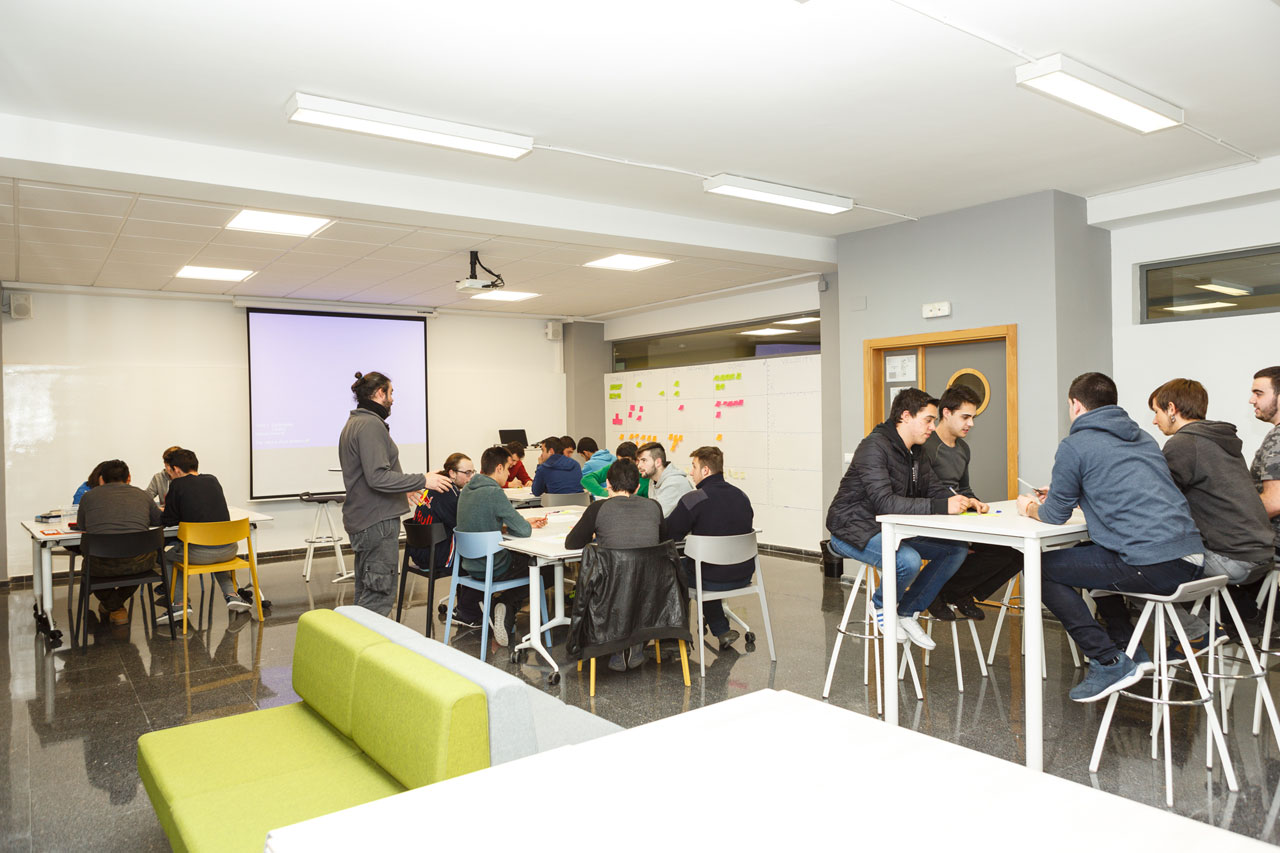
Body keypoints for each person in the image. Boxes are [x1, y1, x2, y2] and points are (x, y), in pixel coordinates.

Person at [1018, 372, 1204, 703]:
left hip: (1156, 564)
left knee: (1038, 568)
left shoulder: (1075, 445)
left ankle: (1108, 661)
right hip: (1192, 556)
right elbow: (1123, 488)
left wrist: (1030, 507)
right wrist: (1072, 491)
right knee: (1088, 551)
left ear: (1075, 405)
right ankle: (1128, 648)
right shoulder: (1143, 438)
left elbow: (1054, 515)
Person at [825, 388, 973, 650]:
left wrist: (964, 502)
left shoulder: (917, 451)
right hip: (851, 529)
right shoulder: (873, 447)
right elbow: (885, 503)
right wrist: (942, 506)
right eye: (928, 420)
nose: (933, 427)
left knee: (955, 549)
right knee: (907, 561)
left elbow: (934, 489)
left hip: (891, 529)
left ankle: (906, 611)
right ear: (906, 416)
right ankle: (880, 605)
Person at [1150, 378, 1275, 652]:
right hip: (1261, 555)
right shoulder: (1220, 440)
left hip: (1232, 560)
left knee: (1143, 565)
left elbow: (1156, 501)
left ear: (1171, 409)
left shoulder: (1183, 443)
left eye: (1156, 412)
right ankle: (1241, 616)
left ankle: (1198, 633)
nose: (1154, 421)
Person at [339, 371, 449, 616]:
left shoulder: (356, 422)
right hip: (376, 523)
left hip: (367, 519)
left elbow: (368, 476)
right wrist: (423, 480)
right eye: (391, 393)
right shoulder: (370, 425)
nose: (393, 399)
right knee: (378, 597)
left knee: (367, 593)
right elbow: (377, 477)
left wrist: (404, 488)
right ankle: (367, 641)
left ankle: (356, 640)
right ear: (380, 393)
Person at [923, 384, 1022, 621]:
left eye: (973, 418)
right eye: (965, 417)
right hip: (935, 518)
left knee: (1016, 553)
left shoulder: (963, 449)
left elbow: (964, 488)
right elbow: (924, 491)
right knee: (983, 551)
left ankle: (956, 591)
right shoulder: (926, 446)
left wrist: (976, 502)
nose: (971, 424)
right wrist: (955, 502)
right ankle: (938, 591)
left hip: (959, 517)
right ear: (946, 413)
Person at [566, 457, 667, 671]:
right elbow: (664, 541)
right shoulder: (654, 507)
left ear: (608, 484)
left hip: (609, 592)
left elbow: (572, 543)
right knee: (634, 581)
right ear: (638, 487)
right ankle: (635, 642)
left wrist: (596, 534)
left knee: (614, 581)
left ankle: (617, 646)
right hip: (649, 592)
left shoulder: (598, 508)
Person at [455, 445, 548, 644]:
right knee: (544, 568)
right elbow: (524, 531)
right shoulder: (494, 492)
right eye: (507, 469)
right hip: (492, 565)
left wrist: (506, 527)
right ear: (498, 468)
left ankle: (501, 609)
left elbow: (482, 524)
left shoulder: (466, 490)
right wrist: (523, 524)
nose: (508, 474)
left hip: (469, 564)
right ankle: (505, 603)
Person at [666, 446, 754, 649]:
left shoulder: (694, 498)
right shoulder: (742, 496)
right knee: (704, 566)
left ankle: (672, 639)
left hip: (710, 577)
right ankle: (721, 630)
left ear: (705, 470)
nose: (691, 472)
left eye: (694, 466)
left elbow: (670, 534)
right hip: (743, 575)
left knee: (674, 568)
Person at [158, 448, 255, 623]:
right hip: (229, 550)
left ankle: (179, 604)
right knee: (213, 548)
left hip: (199, 554)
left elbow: (169, 520)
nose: (169, 474)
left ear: (176, 469)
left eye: (169, 471)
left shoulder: (177, 485)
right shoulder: (213, 480)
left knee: (168, 557)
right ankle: (232, 595)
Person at [76, 459, 162, 625]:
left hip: (101, 564)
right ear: (128, 477)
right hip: (140, 563)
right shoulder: (142, 495)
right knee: (138, 564)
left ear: (102, 478)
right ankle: (116, 608)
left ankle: (113, 606)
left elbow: (82, 526)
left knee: (90, 567)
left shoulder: (88, 497)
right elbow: (158, 520)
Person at [407, 452, 472, 574]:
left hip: (418, 553)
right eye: (467, 473)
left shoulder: (430, 488)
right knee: (479, 560)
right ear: (452, 473)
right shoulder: (448, 490)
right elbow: (462, 525)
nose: (471, 477)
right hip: (436, 557)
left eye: (473, 472)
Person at [636, 441, 693, 517]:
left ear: (658, 462)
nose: (639, 466)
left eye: (644, 460)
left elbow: (655, 516)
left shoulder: (674, 483)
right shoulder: (653, 481)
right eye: (639, 461)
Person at [582, 441, 650, 498]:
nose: (621, 465)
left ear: (636, 461)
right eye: (619, 461)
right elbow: (587, 479)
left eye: (625, 462)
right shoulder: (615, 468)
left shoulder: (645, 478)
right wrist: (605, 494)